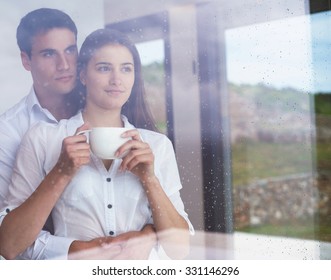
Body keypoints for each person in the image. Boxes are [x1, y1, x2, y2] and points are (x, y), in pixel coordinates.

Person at [0, 28, 193, 260]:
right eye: (104, 68)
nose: (116, 79)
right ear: (82, 75)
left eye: (126, 69)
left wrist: (149, 179)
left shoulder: (157, 145)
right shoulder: (43, 138)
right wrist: (61, 172)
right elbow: (9, 245)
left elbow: (181, 250)